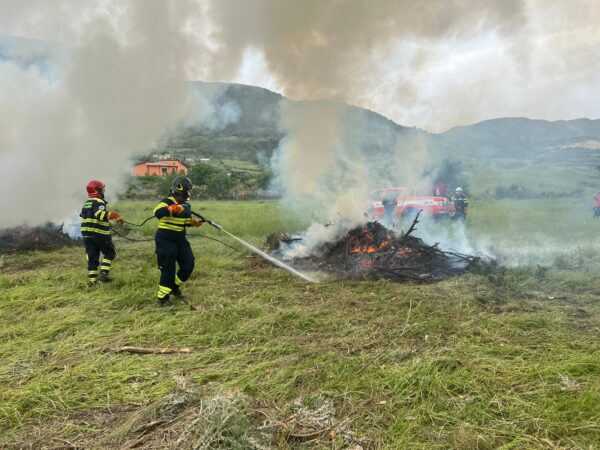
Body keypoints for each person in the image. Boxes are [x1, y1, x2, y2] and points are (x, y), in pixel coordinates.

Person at [153, 177, 203, 307]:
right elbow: (157, 212)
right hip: (165, 241)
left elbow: (184, 221)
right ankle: (162, 299)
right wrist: (171, 209)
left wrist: (194, 222)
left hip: (180, 241)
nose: (187, 197)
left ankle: (174, 287)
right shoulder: (167, 201)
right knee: (168, 270)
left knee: (188, 265)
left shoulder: (185, 206)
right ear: (178, 192)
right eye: (185, 194)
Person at [80, 180, 124, 286]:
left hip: (87, 235)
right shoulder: (99, 202)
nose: (103, 191)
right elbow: (99, 215)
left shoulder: (87, 202)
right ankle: (104, 274)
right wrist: (114, 215)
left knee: (92, 257)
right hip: (99, 233)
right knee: (109, 253)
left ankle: (92, 282)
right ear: (97, 191)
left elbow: (82, 215)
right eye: (102, 189)